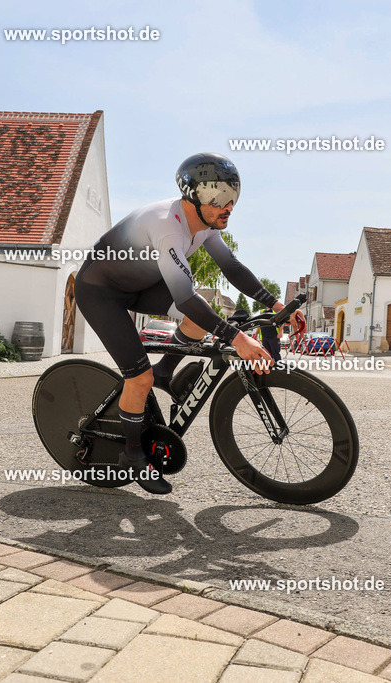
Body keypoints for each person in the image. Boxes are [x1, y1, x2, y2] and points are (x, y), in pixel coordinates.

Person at [73, 153, 301, 495]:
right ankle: (132, 456)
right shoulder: (169, 227)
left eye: (233, 196)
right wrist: (238, 338)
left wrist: (275, 303)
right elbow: (183, 298)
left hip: (139, 285)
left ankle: (165, 371)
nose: (228, 206)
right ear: (193, 196)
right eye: (218, 198)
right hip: (100, 292)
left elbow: (231, 267)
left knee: (202, 314)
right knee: (139, 378)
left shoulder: (205, 224)